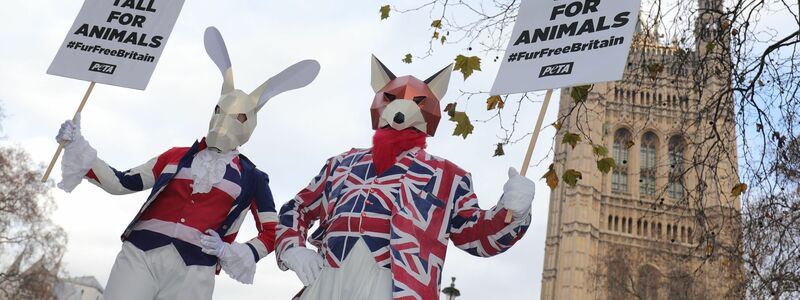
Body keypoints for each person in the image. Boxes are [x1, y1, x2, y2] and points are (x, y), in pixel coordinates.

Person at [54, 27, 319, 300]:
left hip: (195, 270)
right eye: (220, 111)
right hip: (140, 257)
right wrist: (77, 146)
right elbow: (122, 182)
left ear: (250, 123)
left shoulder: (252, 178)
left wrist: (235, 251)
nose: (224, 121)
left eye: (238, 117)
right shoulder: (175, 157)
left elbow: (272, 231)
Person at [275, 55, 535, 300]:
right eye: (391, 97)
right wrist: (292, 248)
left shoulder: (448, 177)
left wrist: (513, 212)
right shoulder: (341, 164)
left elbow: (476, 237)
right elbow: (297, 207)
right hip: (327, 282)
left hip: (396, 289)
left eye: (417, 101)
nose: (402, 109)